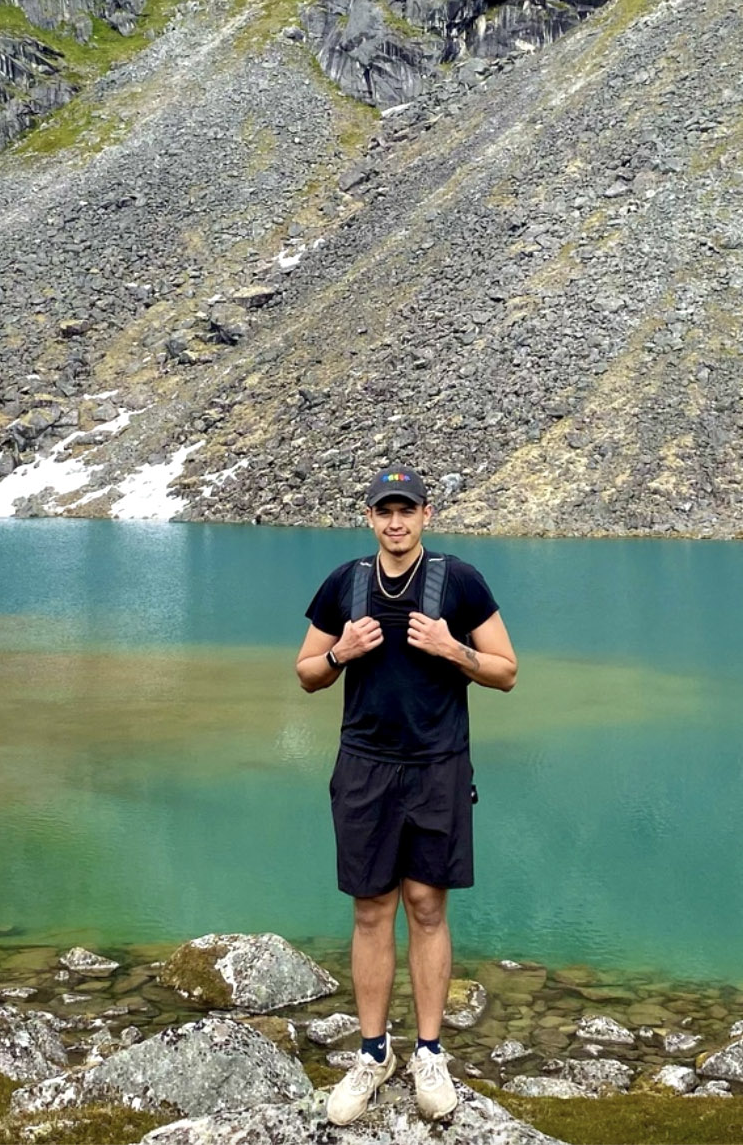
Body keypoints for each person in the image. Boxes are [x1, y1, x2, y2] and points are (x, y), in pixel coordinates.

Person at [295, 466, 518, 1126]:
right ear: (369, 519)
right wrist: (340, 654)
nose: (395, 523)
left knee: (425, 906)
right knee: (371, 909)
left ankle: (429, 1051)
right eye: (383, 512)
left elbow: (506, 671)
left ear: (426, 514)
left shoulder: (460, 582)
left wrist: (455, 650)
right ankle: (372, 1053)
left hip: (436, 766)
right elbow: (306, 672)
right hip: (365, 766)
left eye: (406, 510)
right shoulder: (347, 584)